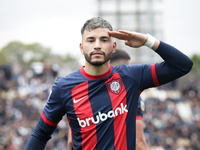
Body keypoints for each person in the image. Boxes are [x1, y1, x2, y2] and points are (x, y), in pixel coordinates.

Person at [25, 17, 193, 150]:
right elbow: (41, 134)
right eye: (91, 40)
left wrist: (147, 41)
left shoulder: (132, 76)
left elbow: (183, 65)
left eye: (104, 40)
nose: (97, 45)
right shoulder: (64, 87)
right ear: (81, 47)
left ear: (113, 47)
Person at [67, 49, 148, 150]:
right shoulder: (131, 96)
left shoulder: (80, 95)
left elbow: (71, 141)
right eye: (126, 68)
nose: (129, 73)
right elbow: (138, 142)